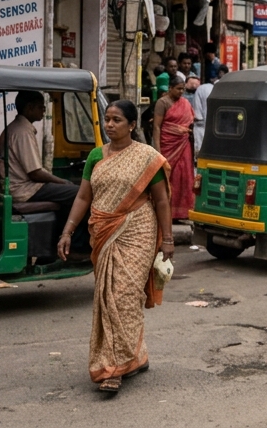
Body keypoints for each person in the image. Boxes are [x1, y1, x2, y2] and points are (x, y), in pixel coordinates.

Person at [57, 100, 174, 393]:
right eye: (107, 119)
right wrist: (67, 231)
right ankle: (135, 355)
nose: (109, 125)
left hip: (138, 231)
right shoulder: (96, 156)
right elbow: (84, 197)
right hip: (104, 232)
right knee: (108, 298)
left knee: (123, 295)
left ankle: (113, 368)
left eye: (116, 120)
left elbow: (161, 200)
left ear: (132, 125)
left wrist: (169, 239)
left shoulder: (149, 158)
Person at [0, 92, 85, 249]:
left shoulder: (18, 128)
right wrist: (62, 181)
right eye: (41, 107)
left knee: (69, 190)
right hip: (24, 190)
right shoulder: (22, 131)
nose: (43, 111)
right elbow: (35, 173)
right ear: (29, 108)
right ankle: (76, 246)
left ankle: (57, 243)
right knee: (79, 194)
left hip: (21, 186)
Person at [153, 73, 195, 220]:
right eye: (178, 89)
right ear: (170, 88)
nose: (181, 92)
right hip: (167, 145)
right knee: (167, 178)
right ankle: (165, 211)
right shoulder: (162, 103)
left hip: (184, 145)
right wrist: (157, 150)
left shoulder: (186, 103)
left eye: (183, 89)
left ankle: (181, 212)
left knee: (184, 177)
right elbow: (157, 126)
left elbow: (190, 123)